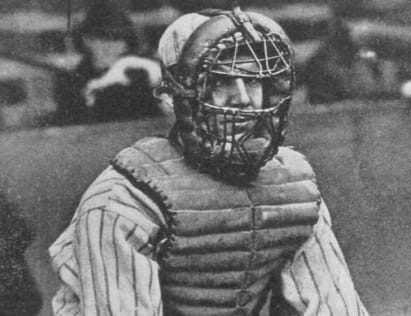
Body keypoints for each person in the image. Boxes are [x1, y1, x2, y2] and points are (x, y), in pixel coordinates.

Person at [49, 5, 369, 316]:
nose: (244, 97)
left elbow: (335, 306)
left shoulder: (293, 186)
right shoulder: (123, 200)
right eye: (220, 82)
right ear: (173, 99)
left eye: (254, 79)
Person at [54, 0, 162, 124]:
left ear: (126, 44)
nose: (108, 47)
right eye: (99, 39)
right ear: (86, 40)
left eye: (116, 40)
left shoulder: (140, 75)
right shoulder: (72, 80)